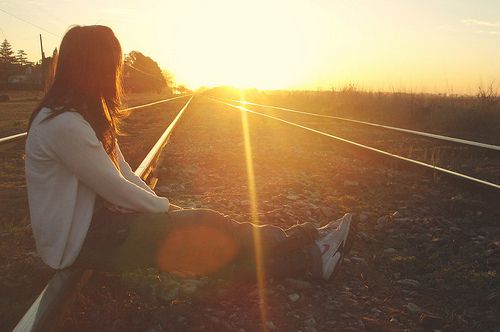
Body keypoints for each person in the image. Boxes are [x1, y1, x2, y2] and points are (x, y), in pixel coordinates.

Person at [25, 25, 354, 282]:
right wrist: (165, 210)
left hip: (98, 228)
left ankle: (310, 254)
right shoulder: (64, 124)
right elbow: (115, 187)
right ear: (94, 69)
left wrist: (164, 209)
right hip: (80, 241)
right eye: (113, 67)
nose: (118, 76)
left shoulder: (78, 115)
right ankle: (309, 243)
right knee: (205, 229)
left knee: (205, 241)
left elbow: (122, 171)